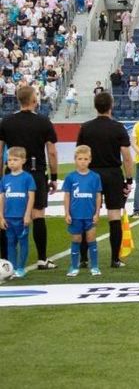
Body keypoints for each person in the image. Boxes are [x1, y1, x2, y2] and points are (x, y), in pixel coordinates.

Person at [0, 85, 60, 270]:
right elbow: (52, 152)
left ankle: (5, 261)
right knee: (38, 214)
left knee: (8, 215)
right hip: (35, 173)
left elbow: (0, 151)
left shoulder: (6, 121)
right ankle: (42, 259)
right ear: (34, 100)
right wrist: (54, 177)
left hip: (11, 174)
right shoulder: (43, 122)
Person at [76, 92, 133, 269]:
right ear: (111, 105)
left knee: (87, 216)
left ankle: (84, 259)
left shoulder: (86, 128)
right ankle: (115, 259)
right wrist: (129, 179)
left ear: (95, 106)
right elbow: (127, 157)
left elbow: (80, 153)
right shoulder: (118, 128)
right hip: (113, 174)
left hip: (91, 174)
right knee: (114, 215)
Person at [62, 145, 103, 277]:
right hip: (75, 216)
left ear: (90, 160)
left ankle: (95, 266)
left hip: (90, 215)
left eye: (85, 159)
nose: (83, 162)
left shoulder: (95, 177)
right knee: (76, 239)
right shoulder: (70, 177)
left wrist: (97, 213)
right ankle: (74, 267)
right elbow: (67, 196)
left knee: (91, 239)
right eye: (80, 159)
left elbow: (98, 196)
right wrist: (67, 213)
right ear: (75, 160)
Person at [0, 147, 35, 278]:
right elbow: (1, 198)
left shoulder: (27, 178)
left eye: (15, 159)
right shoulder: (5, 179)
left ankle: (21, 268)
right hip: (8, 217)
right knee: (10, 243)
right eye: (9, 160)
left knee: (23, 242)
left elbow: (31, 197)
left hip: (21, 217)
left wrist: (27, 214)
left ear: (23, 160)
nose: (12, 162)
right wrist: (1, 217)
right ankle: (12, 268)